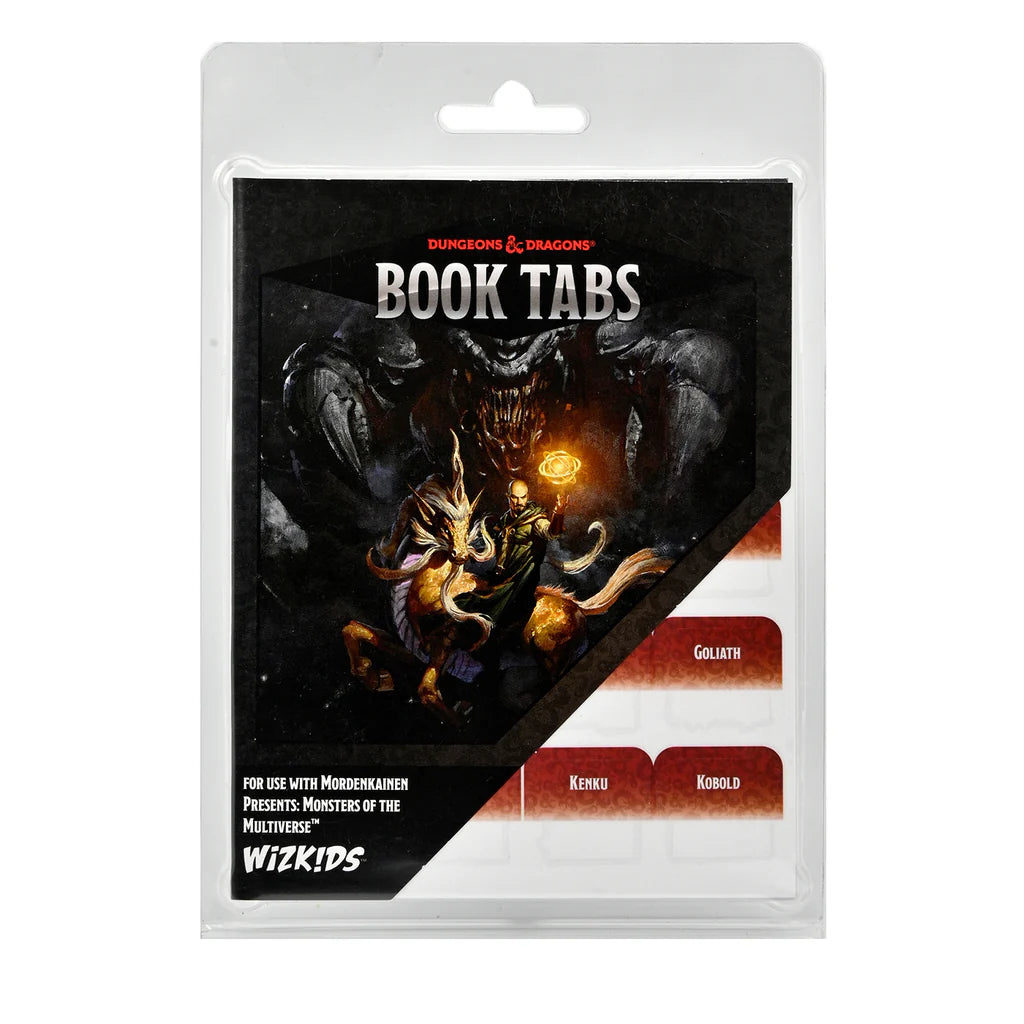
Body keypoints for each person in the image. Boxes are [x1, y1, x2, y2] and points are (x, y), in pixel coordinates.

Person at [457, 479, 566, 633]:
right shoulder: (507, 518)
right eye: (514, 497)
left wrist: (558, 513)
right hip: (501, 573)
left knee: (496, 611)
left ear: (528, 496)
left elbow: (551, 532)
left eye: (522, 497)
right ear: (508, 497)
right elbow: (497, 539)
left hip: (520, 579)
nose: (519, 502)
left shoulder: (536, 520)